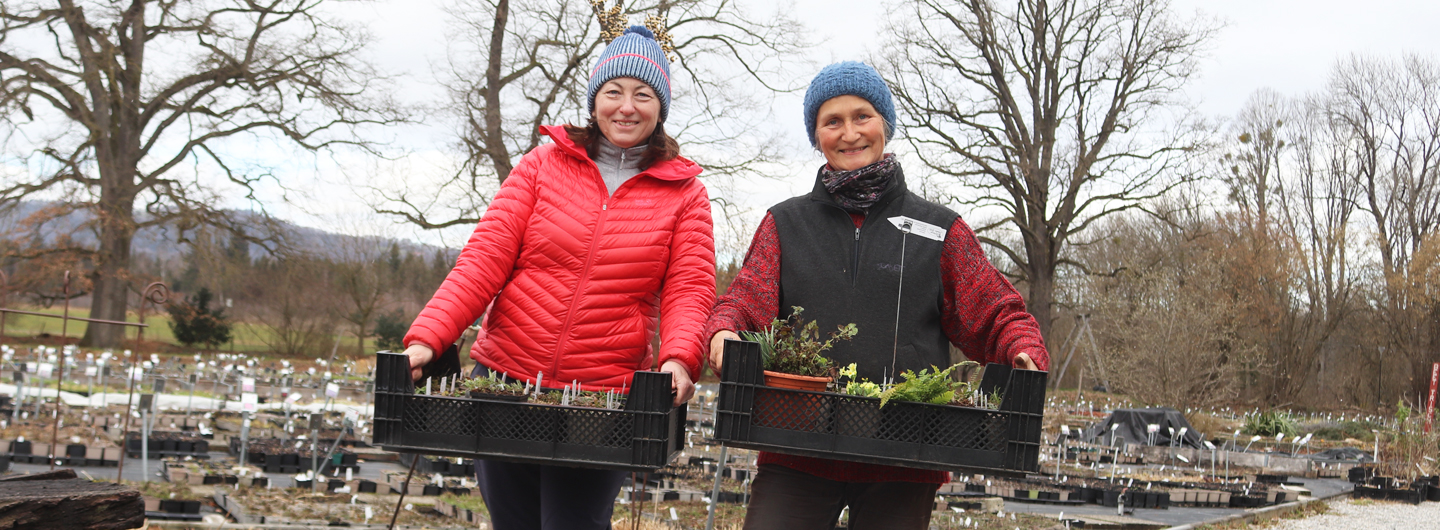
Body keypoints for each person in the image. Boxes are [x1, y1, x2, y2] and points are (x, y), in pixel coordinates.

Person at [704, 61, 1049, 530]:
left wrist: (1023, 350)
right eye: (833, 121)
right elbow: (745, 299)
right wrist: (723, 331)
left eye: (862, 116)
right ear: (816, 135)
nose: (849, 133)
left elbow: (993, 311)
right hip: (796, 448)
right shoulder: (785, 225)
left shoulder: (939, 230)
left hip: (906, 452)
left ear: (885, 123)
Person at [401, 26, 715, 530]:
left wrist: (679, 359)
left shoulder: (685, 194)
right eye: (613, 92)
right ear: (594, 102)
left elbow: (689, 289)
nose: (626, 107)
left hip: (601, 397)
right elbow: (484, 259)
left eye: (644, 94)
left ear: (661, 109)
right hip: (504, 381)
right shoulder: (542, 166)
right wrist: (427, 339)